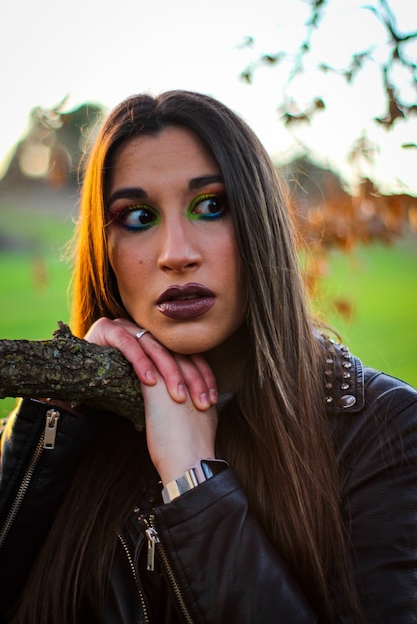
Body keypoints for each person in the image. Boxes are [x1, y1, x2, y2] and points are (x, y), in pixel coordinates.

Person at [0, 90, 416, 624]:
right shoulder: (77, 421)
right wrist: (64, 405)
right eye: (137, 216)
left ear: (260, 226)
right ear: (105, 252)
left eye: (211, 205)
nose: (176, 253)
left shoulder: (385, 429)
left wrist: (194, 483)